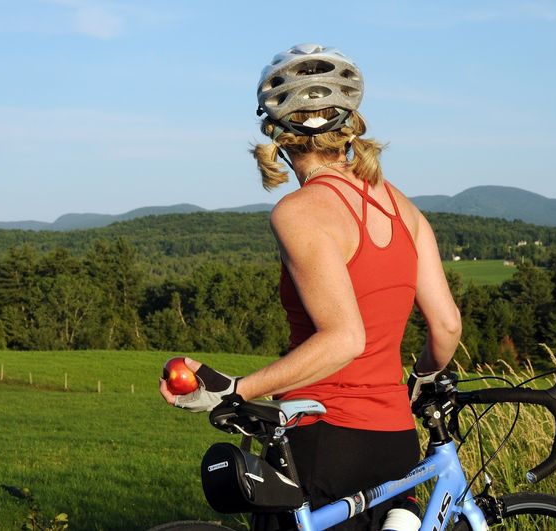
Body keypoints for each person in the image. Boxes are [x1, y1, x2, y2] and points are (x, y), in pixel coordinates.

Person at [159, 43, 461, 531]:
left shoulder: (298, 212)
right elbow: (446, 326)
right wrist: (420, 382)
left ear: (276, 131)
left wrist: (236, 390)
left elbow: (345, 337)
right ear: (346, 122)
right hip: (395, 441)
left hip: (322, 438)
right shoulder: (399, 205)